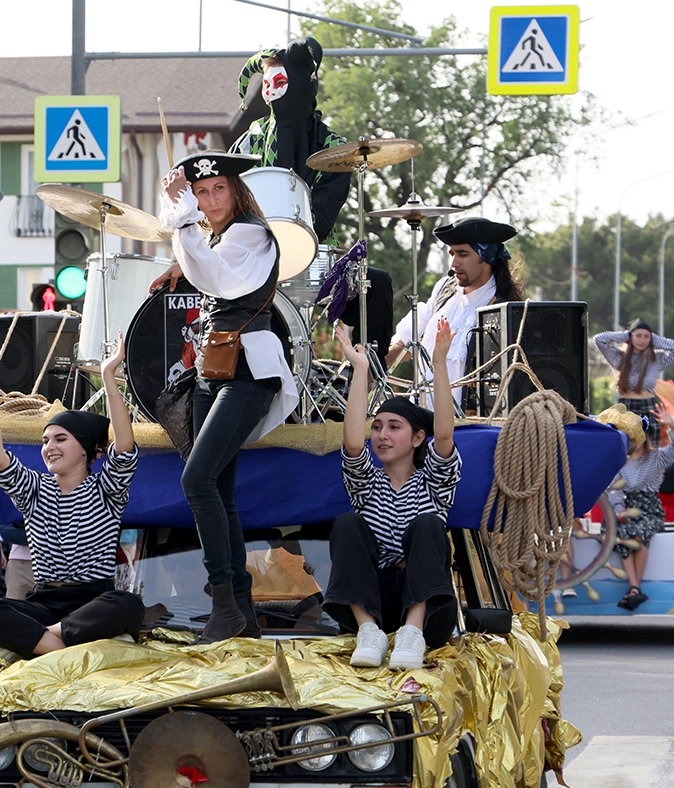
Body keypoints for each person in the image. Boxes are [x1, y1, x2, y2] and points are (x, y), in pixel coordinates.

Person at [148, 151, 298, 643]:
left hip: (249, 370)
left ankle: (226, 604)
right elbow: (208, 267)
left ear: (235, 190)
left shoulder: (251, 231)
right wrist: (179, 259)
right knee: (220, 492)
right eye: (200, 192)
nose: (209, 200)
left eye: (218, 189)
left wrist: (183, 226)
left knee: (197, 480)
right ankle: (241, 612)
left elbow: (219, 275)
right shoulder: (215, 237)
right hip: (215, 369)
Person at [0, 334, 144, 659]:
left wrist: (110, 374)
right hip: (40, 604)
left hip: (92, 601)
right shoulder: (34, 489)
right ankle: (58, 647)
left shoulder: (107, 488)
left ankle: (44, 642)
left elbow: (124, 446)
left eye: (59, 439)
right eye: (45, 441)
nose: (49, 447)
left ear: (84, 449)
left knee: (128, 605)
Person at [230, 37, 393, 358]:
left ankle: (368, 378)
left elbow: (323, 214)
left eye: (281, 80)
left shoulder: (334, 147)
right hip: (249, 261)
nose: (271, 91)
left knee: (376, 285)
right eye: (267, 82)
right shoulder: (250, 140)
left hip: (315, 264)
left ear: (304, 84)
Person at [324, 321, 461, 669]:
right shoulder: (367, 484)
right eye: (378, 427)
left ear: (417, 438)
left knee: (429, 525)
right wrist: (360, 369)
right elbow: (353, 443)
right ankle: (368, 631)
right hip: (374, 604)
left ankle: (411, 633)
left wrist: (440, 364)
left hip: (429, 615)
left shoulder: (434, 482)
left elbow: (443, 435)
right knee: (347, 523)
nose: (382, 435)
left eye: (394, 427)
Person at [386, 217, 526, 411]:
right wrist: (373, 367)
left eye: (462, 254)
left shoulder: (504, 307)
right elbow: (412, 334)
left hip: (468, 426)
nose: (454, 263)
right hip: (420, 417)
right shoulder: (443, 288)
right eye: (452, 254)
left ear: (486, 256)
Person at [595, 402, 674, 611]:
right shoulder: (619, 461)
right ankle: (634, 588)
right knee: (622, 533)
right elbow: (614, 489)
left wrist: (672, 426)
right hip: (625, 506)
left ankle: (634, 589)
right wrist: (618, 511)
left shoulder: (657, 457)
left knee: (639, 534)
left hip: (649, 507)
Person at [593, 319, 674, 448]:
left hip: (648, 407)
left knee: (650, 452)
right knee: (624, 448)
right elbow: (599, 339)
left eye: (646, 337)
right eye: (638, 336)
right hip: (625, 407)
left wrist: (655, 339)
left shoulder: (656, 359)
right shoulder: (619, 358)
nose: (642, 340)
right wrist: (626, 336)